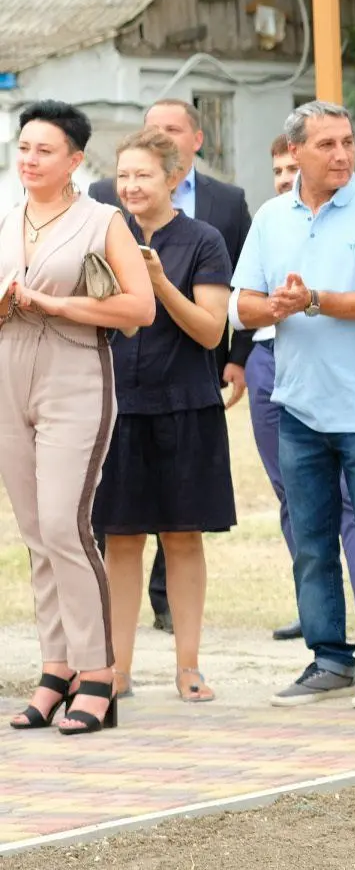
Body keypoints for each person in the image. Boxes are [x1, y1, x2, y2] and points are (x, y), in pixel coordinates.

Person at [236, 102, 355, 710]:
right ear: (297, 153)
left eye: (348, 142)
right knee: (310, 541)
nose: (341, 155)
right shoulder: (270, 217)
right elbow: (242, 306)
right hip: (298, 406)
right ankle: (329, 660)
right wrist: (278, 307)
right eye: (327, 145)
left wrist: (313, 299)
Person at [2, 100, 154, 735]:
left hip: (75, 378)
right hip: (9, 375)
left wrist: (50, 304)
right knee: (36, 532)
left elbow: (138, 308)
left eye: (44, 149)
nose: (30, 158)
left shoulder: (102, 220)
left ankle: (99, 673)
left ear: (75, 161)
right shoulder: (7, 219)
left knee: (67, 524)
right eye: (23, 147)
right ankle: (56, 666)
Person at [88, 98, 254, 636]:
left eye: (143, 175)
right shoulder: (104, 234)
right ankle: (117, 671)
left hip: (186, 405)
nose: (131, 186)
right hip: (118, 405)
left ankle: (188, 667)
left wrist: (158, 283)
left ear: (173, 176)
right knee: (120, 537)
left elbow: (211, 330)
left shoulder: (203, 239)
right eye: (123, 176)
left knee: (182, 537)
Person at [244, 136, 355, 644]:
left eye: (290, 167)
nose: (282, 177)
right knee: (291, 496)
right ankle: (317, 608)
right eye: (277, 168)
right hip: (268, 360)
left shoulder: (354, 217)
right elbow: (241, 301)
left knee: (345, 500)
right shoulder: (268, 221)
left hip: (331, 359)